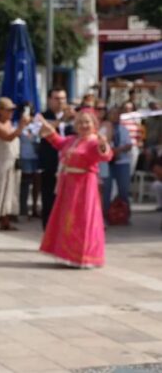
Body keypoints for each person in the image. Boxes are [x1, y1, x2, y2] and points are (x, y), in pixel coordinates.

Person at [38, 109, 113, 267]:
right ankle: (67, 253)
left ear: (94, 124)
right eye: (80, 122)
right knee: (67, 219)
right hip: (68, 185)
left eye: (87, 122)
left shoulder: (93, 142)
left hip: (85, 185)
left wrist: (103, 145)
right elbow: (58, 142)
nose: (83, 125)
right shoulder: (72, 140)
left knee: (83, 219)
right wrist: (49, 130)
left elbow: (105, 156)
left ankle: (83, 255)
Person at [0, 97, 29, 231]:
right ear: (0, 111)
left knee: (10, 191)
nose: (11, 112)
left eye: (12, 110)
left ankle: (5, 220)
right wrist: (21, 126)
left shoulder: (9, 123)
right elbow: (9, 137)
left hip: (12, 161)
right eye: (8, 110)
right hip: (1, 163)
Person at [39, 88, 73, 227]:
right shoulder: (42, 116)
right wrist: (61, 120)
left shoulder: (73, 118)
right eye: (57, 98)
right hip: (50, 163)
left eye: (63, 98)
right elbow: (42, 131)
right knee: (49, 197)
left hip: (70, 165)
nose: (60, 102)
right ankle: (48, 228)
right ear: (49, 100)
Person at [103, 107, 133, 217]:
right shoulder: (104, 128)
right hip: (107, 163)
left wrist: (119, 150)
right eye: (112, 114)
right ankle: (105, 214)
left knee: (123, 189)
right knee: (106, 189)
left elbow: (129, 144)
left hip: (122, 162)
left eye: (117, 114)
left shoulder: (124, 129)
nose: (115, 116)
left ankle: (125, 213)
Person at [18, 103, 41, 219]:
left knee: (37, 183)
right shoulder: (18, 126)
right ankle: (23, 208)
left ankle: (35, 208)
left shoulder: (37, 125)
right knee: (25, 184)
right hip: (25, 157)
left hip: (36, 157)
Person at [120, 100, 142, 174]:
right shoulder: (120, 118)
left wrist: (139, 141)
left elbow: (139, 131)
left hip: (133, 146)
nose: (128, 110)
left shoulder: (136, 119)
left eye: (130, 108)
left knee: (131, 168)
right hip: (122, 147)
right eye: (126, 108)